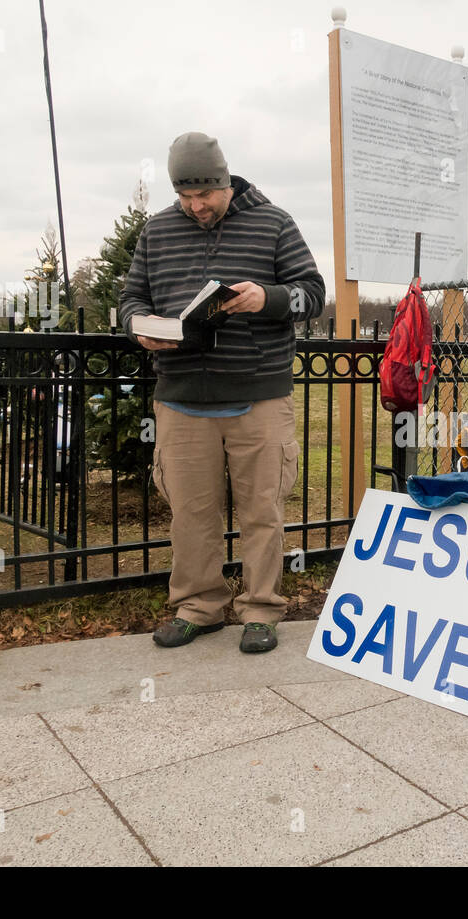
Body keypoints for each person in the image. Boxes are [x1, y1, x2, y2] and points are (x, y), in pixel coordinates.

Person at [121, 132, 324, 652]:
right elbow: (131, 298)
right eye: (186, 197)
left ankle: (260, 608)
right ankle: (199, 606)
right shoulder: (157, 230)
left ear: (224, 180)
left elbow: (312, 294)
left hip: (258, 396)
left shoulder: (274, 222)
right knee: (190, 512)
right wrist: (137, 325)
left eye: (205, 195)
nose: (197, 207)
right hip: (181, 395)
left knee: (261, 509)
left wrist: (269, 297)